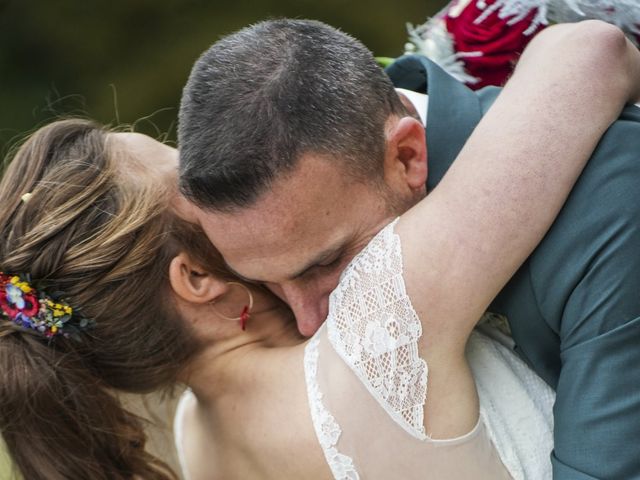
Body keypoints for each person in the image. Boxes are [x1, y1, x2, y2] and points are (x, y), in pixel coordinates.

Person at [0, 24, 635, 480]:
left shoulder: (198, 442)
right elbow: (587, 51)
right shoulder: (380, 321)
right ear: (194, 277)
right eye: (186, 179)